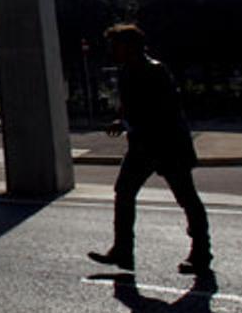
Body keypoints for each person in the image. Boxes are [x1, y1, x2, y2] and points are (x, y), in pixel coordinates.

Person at [88, 23, 211, 274]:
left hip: (168, 144)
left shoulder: (155, 71)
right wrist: (121, 121)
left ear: (131, 47)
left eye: (117, 46)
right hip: (142, 145)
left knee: (186, 197)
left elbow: (164, 109)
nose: (114, 51)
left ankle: (201, 251)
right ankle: (123, 250)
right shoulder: (126, 72)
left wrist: (132, 122)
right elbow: (129, 105)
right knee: (124, 191)